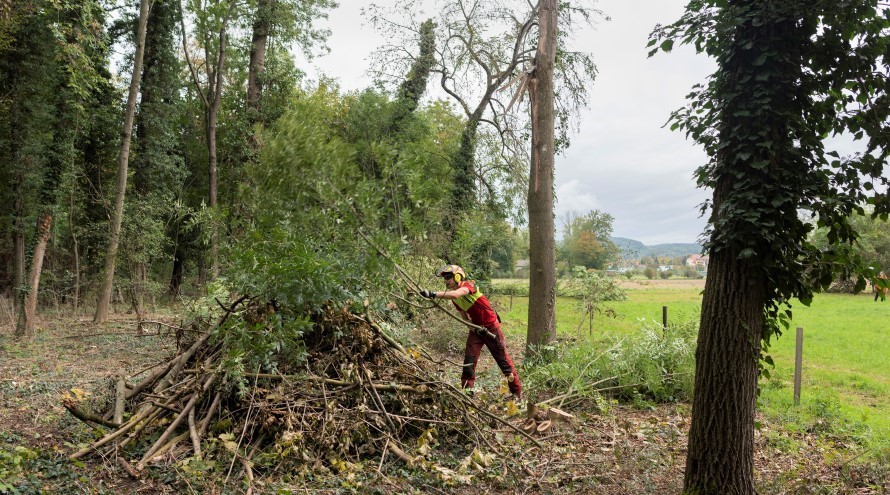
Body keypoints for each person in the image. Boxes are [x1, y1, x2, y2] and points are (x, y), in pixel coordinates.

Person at [420, 264, 523, 402]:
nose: (446, 281)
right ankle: (468, 395)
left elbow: (457, 293)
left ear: (458, 276)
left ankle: (517, 393)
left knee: (503, 362)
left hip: (491, 328)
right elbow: (464, 318)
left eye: (449, 277)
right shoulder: (455, 300)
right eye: (445, 278)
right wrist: (474, 328)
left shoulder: (468, 286)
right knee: (469, 362)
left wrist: (433, 293)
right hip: (477, 330)